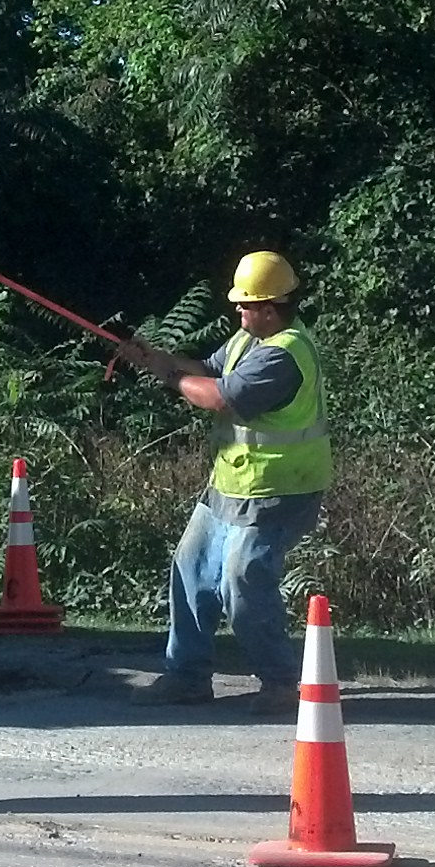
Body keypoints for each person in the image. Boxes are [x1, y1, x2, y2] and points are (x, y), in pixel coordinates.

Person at [116, 249, 329, 716]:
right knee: (190, 568)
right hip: (231, 485)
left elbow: (216, 397)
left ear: (270, 308)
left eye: (246, 304)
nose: (238, 310)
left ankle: (278, 682)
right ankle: (187, 677)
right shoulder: (245, 341)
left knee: (242, 579)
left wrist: (170, 378)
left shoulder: (284, 355)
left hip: (278, 490)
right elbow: (206, 371)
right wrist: (154, 358)